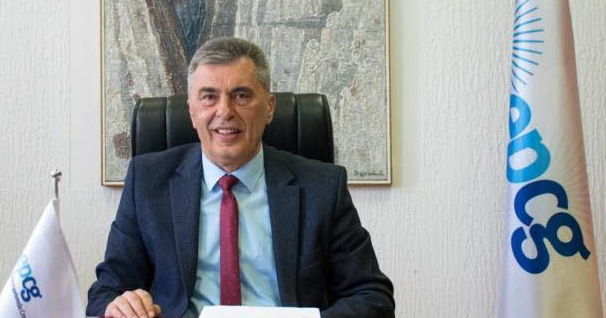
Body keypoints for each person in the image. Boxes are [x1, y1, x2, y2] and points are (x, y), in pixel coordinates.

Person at [87, 38, 395, 318]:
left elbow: (373, 298)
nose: (225, 111)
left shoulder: (322, 187)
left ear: (269, 108)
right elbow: (105, 293)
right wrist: (118, 306)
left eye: (241, 95)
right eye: (209, 97)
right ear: (192, 111)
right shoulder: (147, 182)